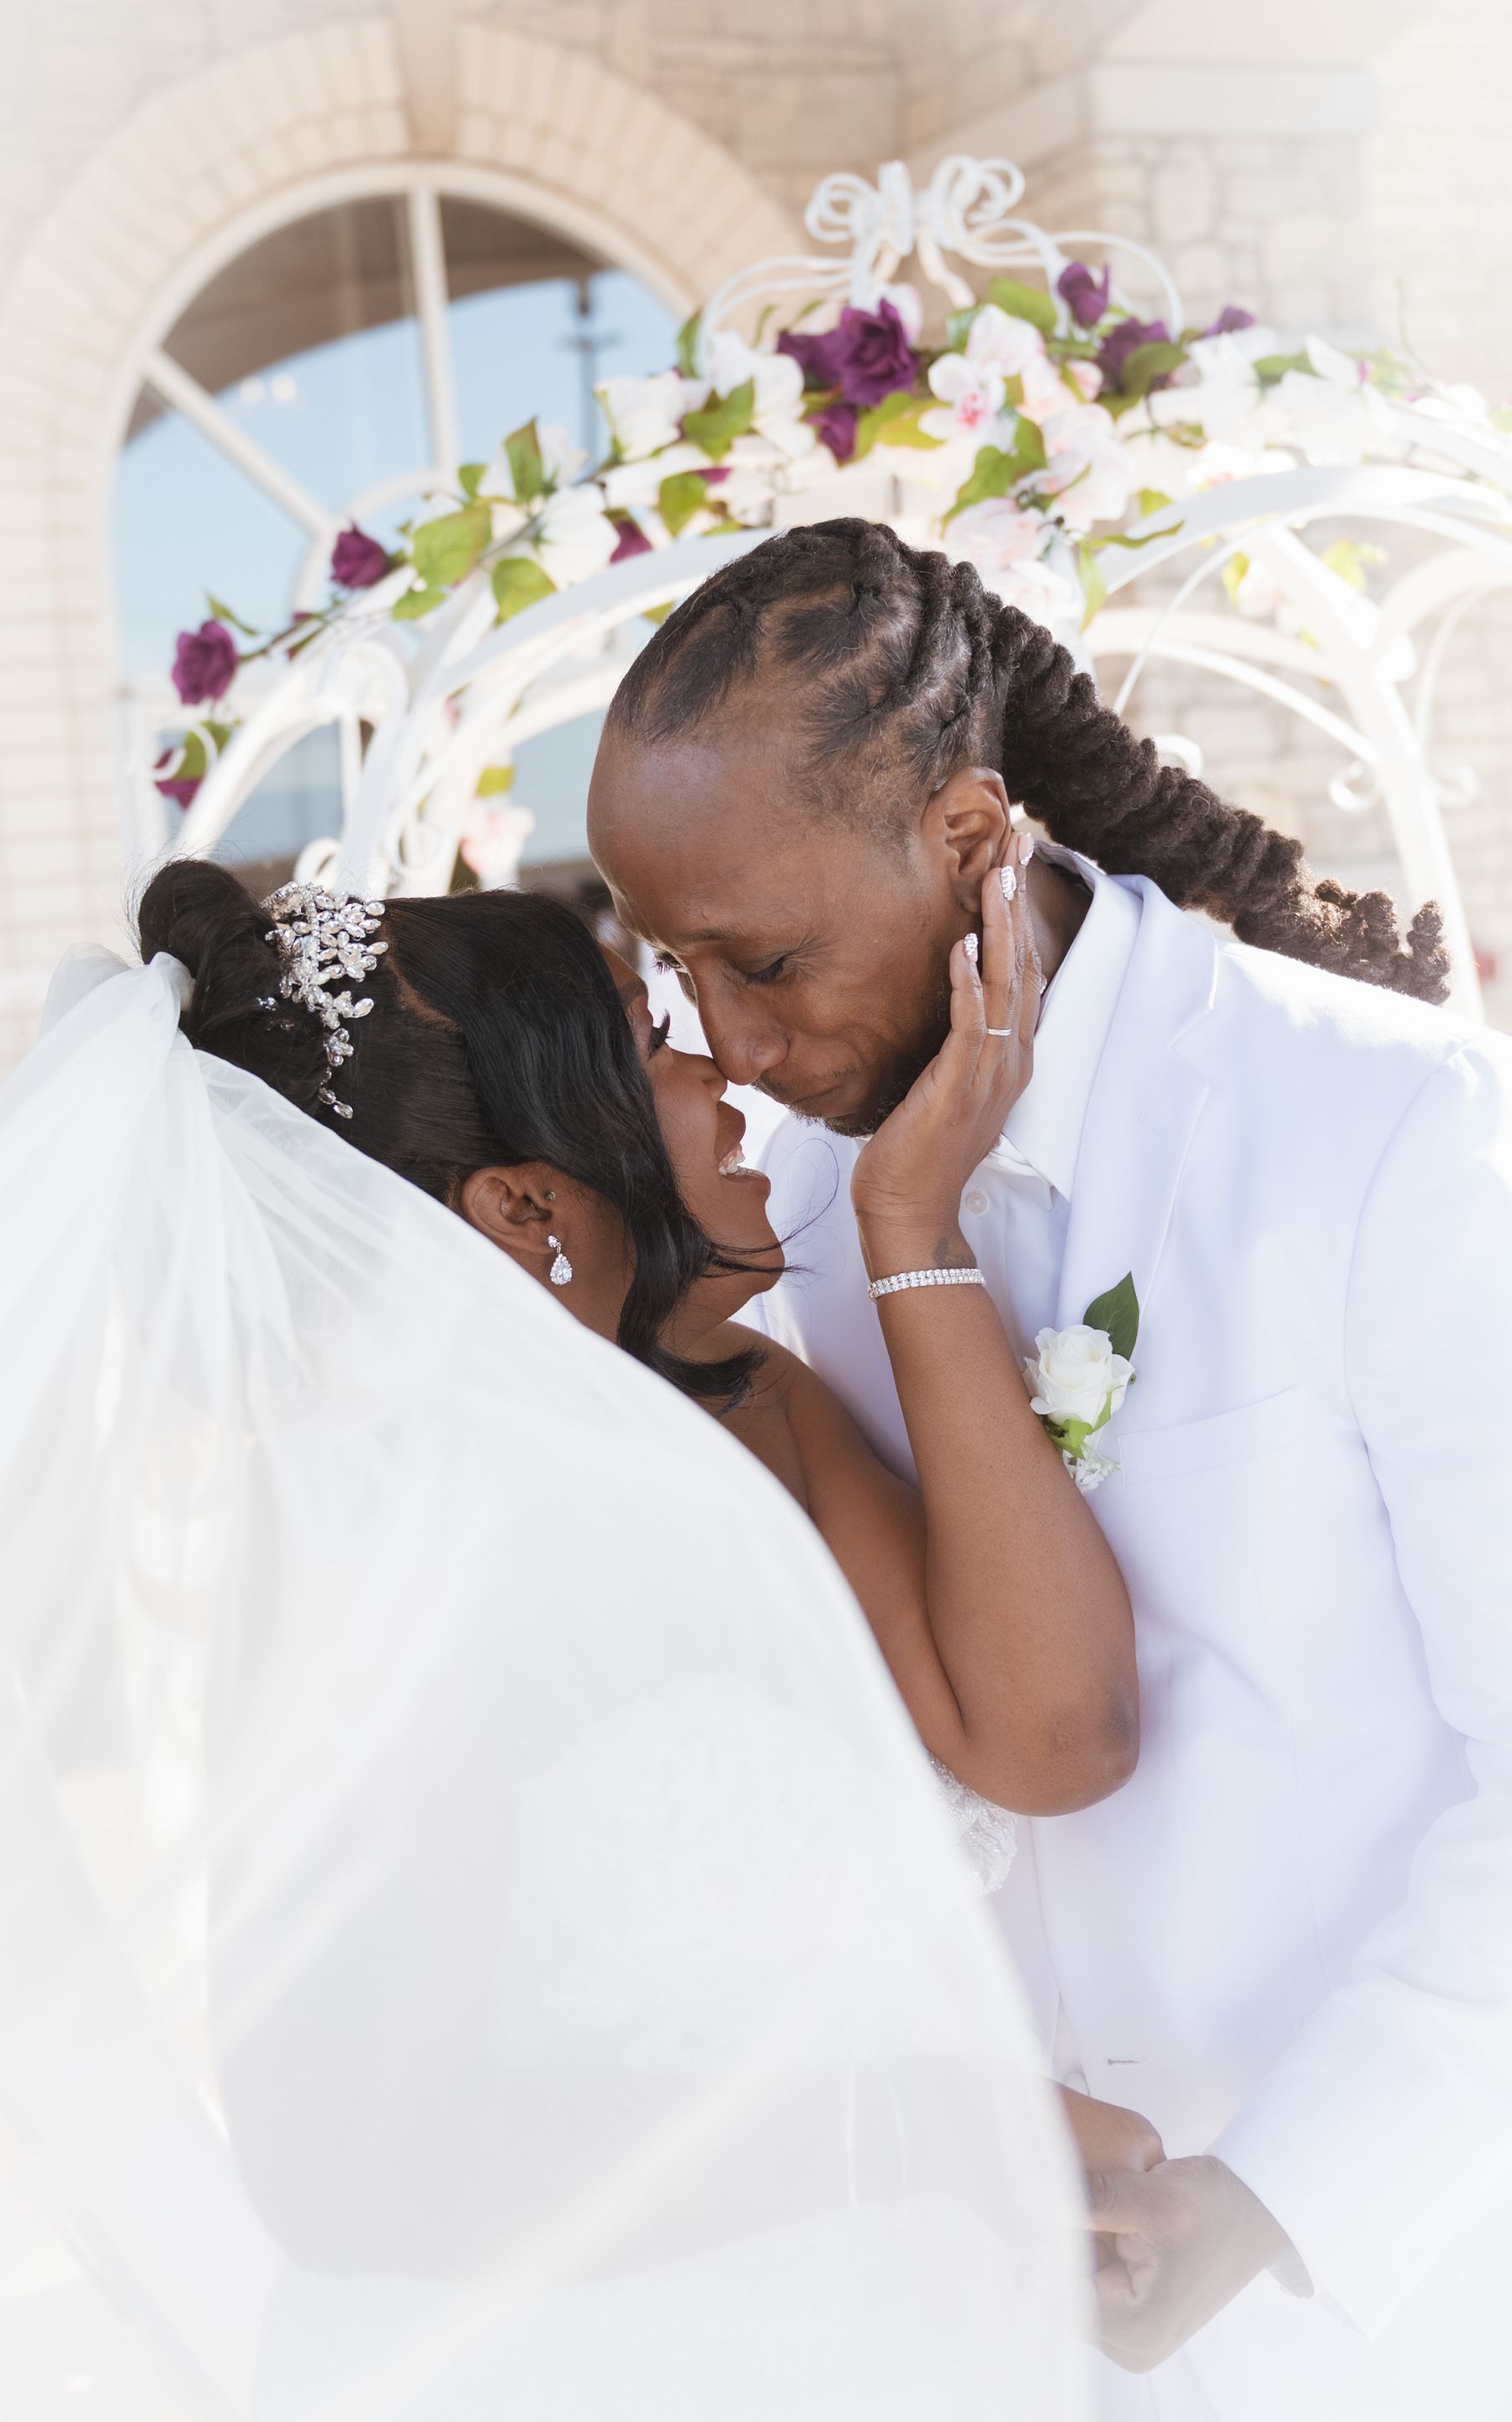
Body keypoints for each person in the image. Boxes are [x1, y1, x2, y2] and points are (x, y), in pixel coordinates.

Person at [0, 887, 1089, 2419]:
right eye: (650, 1043)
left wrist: (910, 1229)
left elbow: (1057, 1732)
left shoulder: (745, 1406)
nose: (716, 1070)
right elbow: (344, 2168)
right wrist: (912, 2126)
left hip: (886, 2322)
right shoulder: (361, 1549)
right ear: (526, 1210)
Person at [584, 515, 1512, 2422]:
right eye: (679, 974)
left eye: (769, 961)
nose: (739, 1049)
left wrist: (1278, 2197)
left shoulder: (1387, 1133)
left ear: (972, 837)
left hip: (1382, 2293)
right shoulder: (780, 1217)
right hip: (979, 2317)